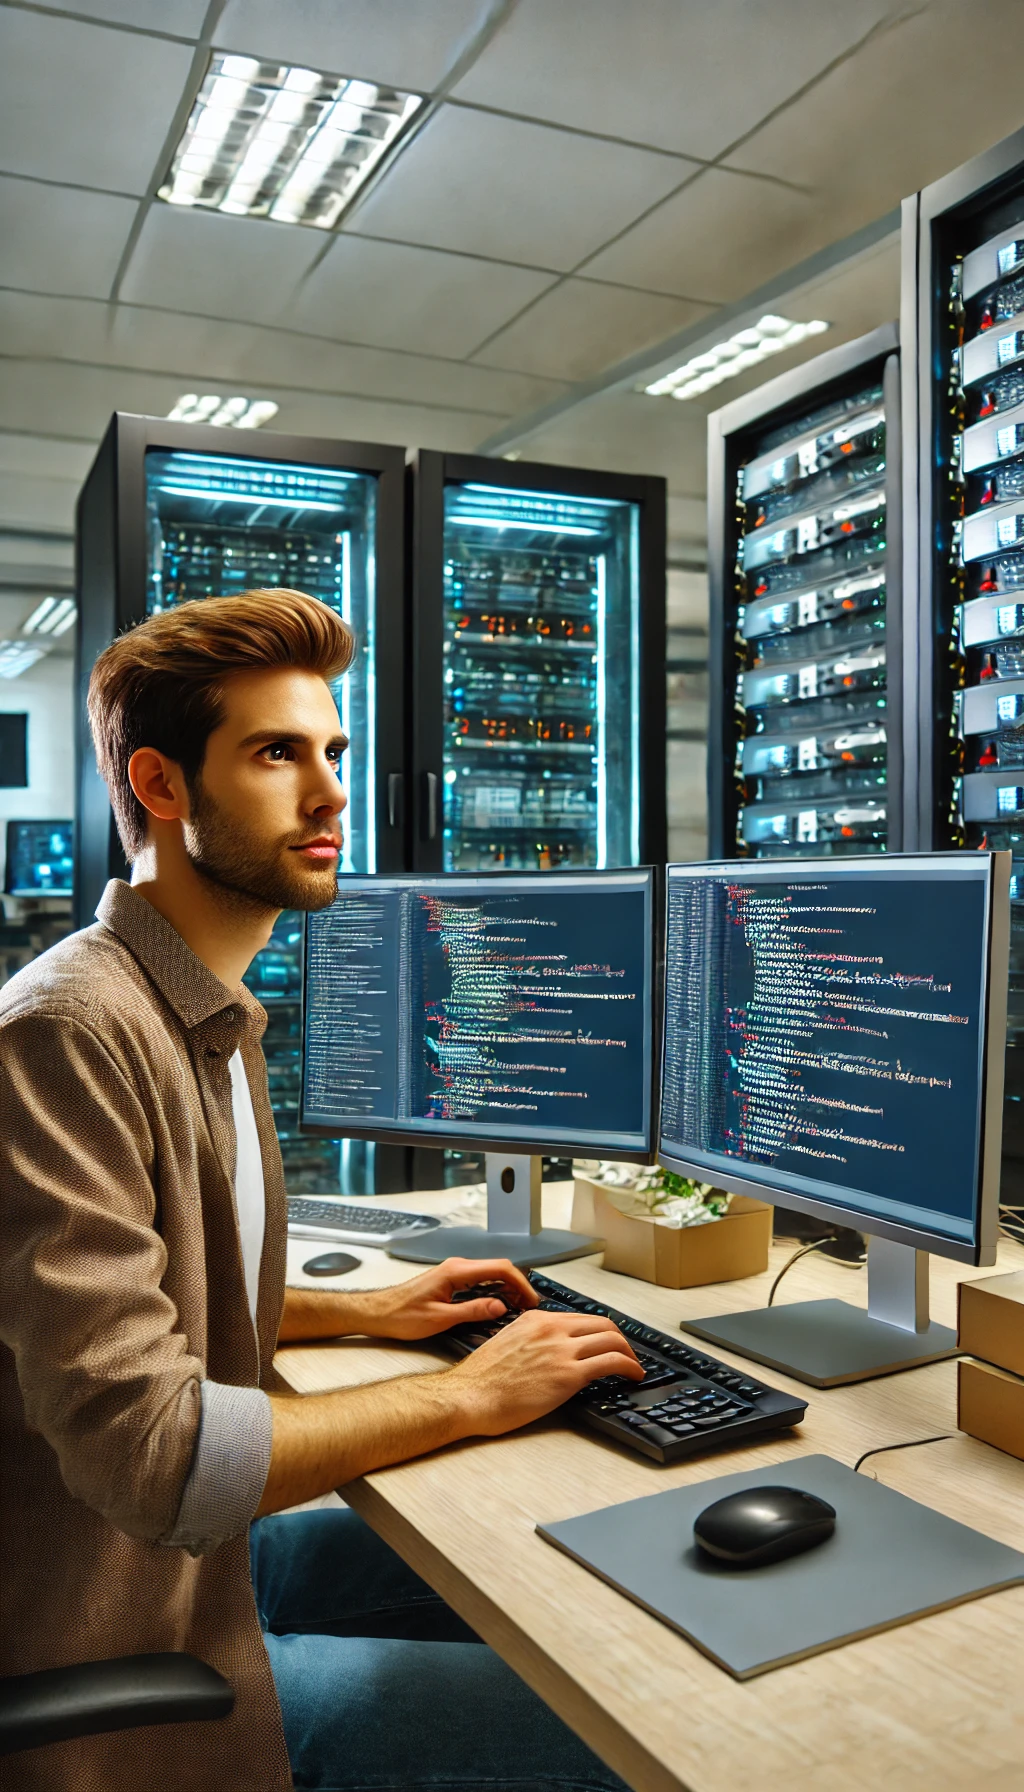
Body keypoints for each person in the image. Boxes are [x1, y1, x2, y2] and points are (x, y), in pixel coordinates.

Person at [0, 588, 642, 1792]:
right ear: (161, 785)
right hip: (121, 1627)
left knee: (547, 1564)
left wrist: (364, 1312)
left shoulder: (198, 1001)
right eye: (277, 753)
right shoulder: (70, 1032)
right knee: (617, 1728)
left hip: (190, 1566)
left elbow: (138, 1302)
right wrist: (469, 1396)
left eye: (332, 749)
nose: (332, 791)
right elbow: (155, 1451)